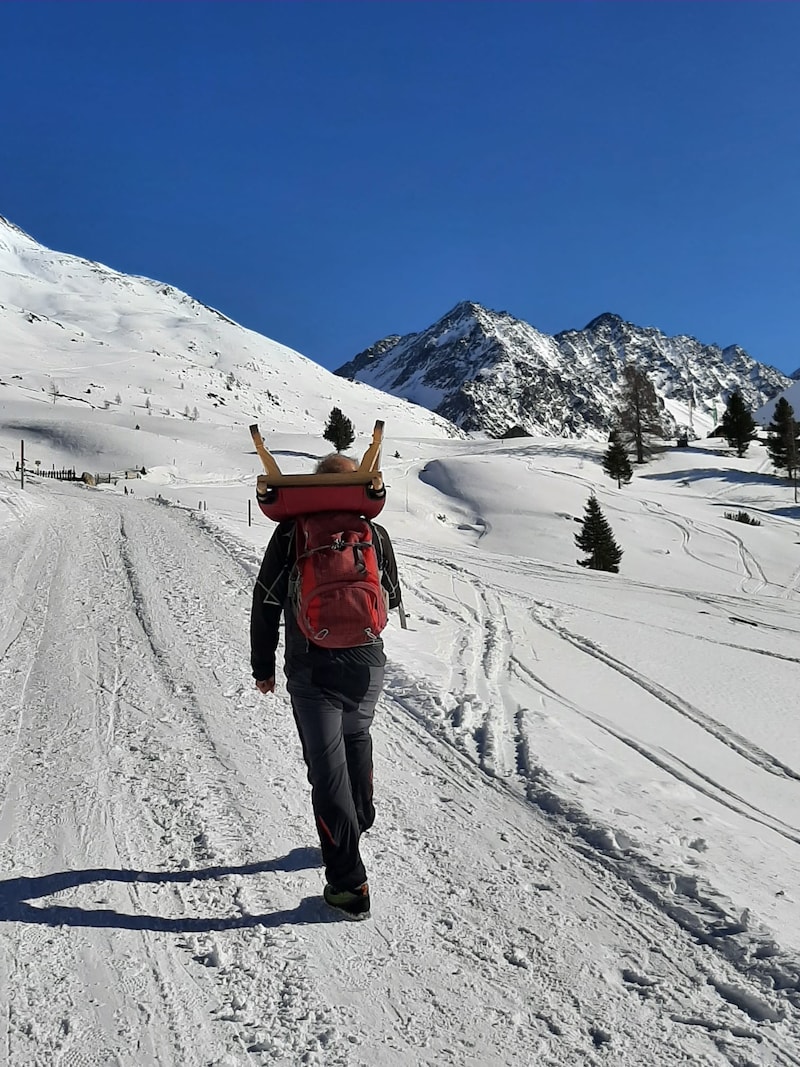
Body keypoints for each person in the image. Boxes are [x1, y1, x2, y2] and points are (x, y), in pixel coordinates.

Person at [250, 453, 401, 919]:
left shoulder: (291, 533)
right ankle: (360, 819)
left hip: (312, 666)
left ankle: (347, 886)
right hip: (367, 663)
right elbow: (389, 598)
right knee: (357, 735)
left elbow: (265, 603)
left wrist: (263, 667)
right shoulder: (372, 533)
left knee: (326, 768)